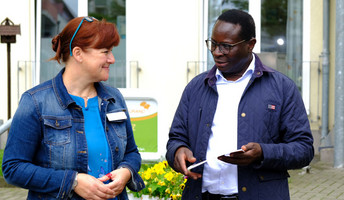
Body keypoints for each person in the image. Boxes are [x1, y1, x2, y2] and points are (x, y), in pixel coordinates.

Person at [166, 9, 314, 200]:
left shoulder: (282, 88)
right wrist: (178, 151)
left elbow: (304, 149)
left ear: (250, 44)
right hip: (201, 195)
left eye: (226, 46)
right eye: (213, 44)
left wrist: (263, 153)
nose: (217, 52)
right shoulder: (196, 87)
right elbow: (176, 138)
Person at [2, 16, 144, 200]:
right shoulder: (36, 102)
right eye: (105, 51)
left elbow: (132, 153)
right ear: (78, 53)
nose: (112, 59)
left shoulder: (114, 98)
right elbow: (13, 168)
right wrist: (72, 181)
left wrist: (126, 171)